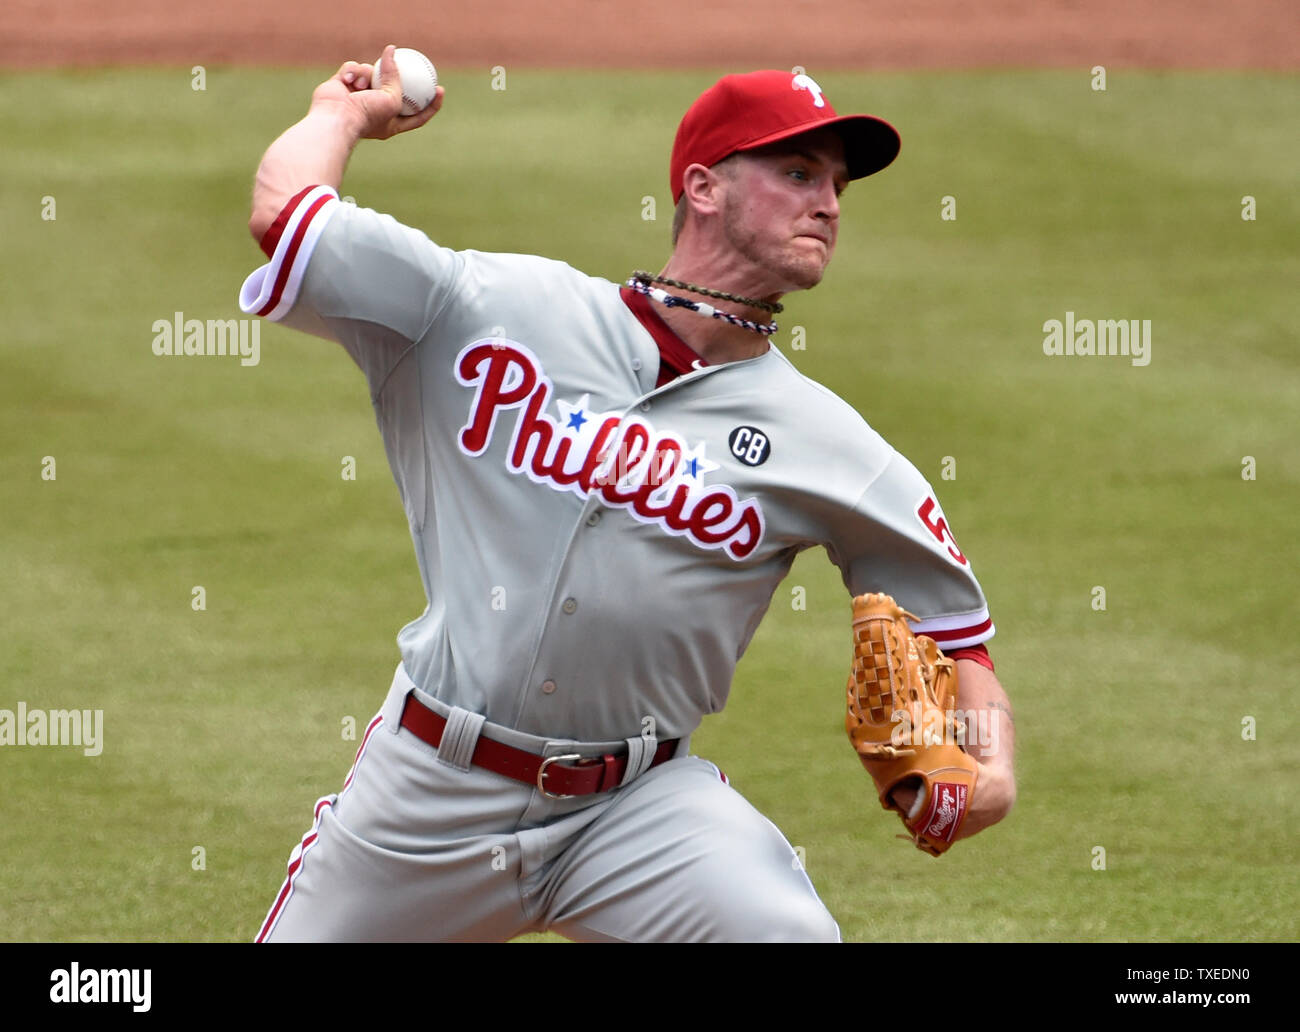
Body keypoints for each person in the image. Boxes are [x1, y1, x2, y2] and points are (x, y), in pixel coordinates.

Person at [239, 48, 1016, 942]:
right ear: (703, 187)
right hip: (425, 796)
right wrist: (340, 118)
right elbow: (290, 219)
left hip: (638, 811)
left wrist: (986, 776)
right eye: (798, 172)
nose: (829, 203)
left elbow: (963, 643)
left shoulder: (831, 445)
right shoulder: (495, 305)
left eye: (838, 184)